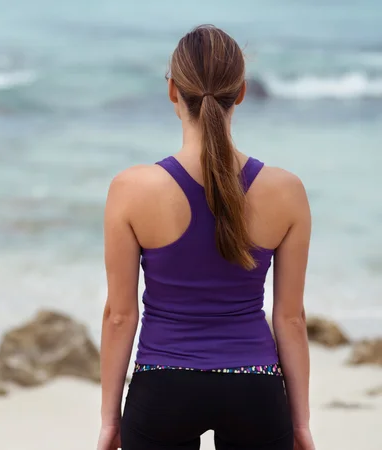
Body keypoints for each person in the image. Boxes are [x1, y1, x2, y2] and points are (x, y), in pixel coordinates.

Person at [97, 25, 315, 450]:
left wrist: (110, 419)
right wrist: (300, 422)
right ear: (243, 92)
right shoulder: (286, 190)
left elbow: (119, 316)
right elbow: (290, 319)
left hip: (162, 387)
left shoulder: (132, 188)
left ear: (173, 91)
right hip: (255, 388)